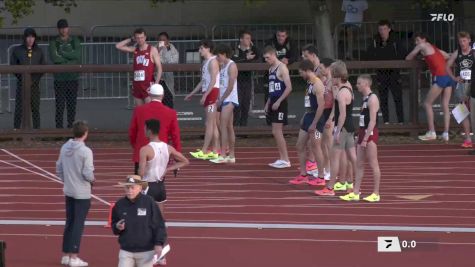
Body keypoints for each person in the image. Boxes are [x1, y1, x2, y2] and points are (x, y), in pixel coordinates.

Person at [315, 61, 357, 197]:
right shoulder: (347, 86)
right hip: (350, 127)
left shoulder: (341, 93)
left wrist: (337, 131)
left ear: (336, 75)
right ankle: (352, 185)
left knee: (335, 158)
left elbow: (342, 114)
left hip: (343, 128)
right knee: (352, 158)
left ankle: (330, 187)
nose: (330, 77)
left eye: (332, 74)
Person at [56, 121, 94, 267]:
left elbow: (59, 167)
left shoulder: (65, 146)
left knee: (70, 222)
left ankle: (65, 255)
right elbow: (87, 173)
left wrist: (66, 180)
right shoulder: (86, 151)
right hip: (82, 192)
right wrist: (92, 179)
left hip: (69, 190)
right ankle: (74, 256)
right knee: (78, 224)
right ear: (85, 133)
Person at [340, 74, 381, 202]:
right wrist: (359, 135)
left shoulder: (372, 98)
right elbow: (364, 120)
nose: (357, 85)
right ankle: (355, 192)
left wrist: (365, 138)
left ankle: (376, 193)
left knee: (373, 164)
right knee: (359, 164)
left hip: (370, 134)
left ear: (366, 84)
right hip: (363, 132)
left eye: (359, 83)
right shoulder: (364, 98)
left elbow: (373, 121)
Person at [112, 175, 167, 267]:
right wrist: (117, 227)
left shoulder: (149, 202)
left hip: (146, 252)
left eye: (132, 188)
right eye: (127, 187)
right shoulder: (119, 204)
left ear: (140, 188)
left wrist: (158, 243)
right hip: (126, 251)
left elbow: (159, 224)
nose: (129, 191)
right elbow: (114, 225)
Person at [406, 33, 451, 142]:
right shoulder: (434, 47)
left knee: (427, 103)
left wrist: (421, 56)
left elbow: (408, 57)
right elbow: (447, 56)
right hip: (448, 75)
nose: (416, 43)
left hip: (440, 76)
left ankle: (432, 132)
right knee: (445, 105)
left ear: (423, 39)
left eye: (417, 40)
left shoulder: (422, 45)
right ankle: (446, 133)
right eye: (415, 41)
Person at [138, 119, 189, 215]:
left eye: (145, 128)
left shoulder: (145, 150)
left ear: (149, 131)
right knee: (160, 217)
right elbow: (185, 161)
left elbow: (141, 173)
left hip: (147, 185)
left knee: (142, 215)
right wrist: (168, 169)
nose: (144, 131)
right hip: (160, 186)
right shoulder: (168, 148)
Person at [129, 84, 181, 175]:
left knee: (139, 185)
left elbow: (132, 132)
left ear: (149, 94)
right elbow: (175, 136)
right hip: (160, 154)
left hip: (141, 152)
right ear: (163, 95)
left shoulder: (139, 110)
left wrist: (136, 146)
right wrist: (177, 157)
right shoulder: (171, 113)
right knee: (158, 183)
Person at [289, 60, 326, 185]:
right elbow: (309, 102)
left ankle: (321, 177)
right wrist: (305, 116)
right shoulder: (309, 83)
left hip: (316, 119)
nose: (300, 75)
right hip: (308, 116)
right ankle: (303, 174)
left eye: (301, 72)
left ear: (307, 70)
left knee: (316, 148)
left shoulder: (317, 84)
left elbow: (321, 106)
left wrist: (314, 123)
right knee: (299, 145)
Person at [185, 40, 221, 160]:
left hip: (212, 92)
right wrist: (192, 93)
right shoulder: (206, 62)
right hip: (208, 92)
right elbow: (203, 81)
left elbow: (213, 80)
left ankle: (204, 150)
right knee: (213, 124)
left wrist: (206, 95)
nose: (199, 51)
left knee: (209, 123)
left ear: (208, 49)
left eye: (201, 48)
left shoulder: (213, 62)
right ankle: (215, 150)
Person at [367, 20, 406, 124]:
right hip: (381, 74)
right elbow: (369, 55)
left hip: (394, 73)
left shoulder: (395, 40)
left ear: (389, 29)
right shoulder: (375, 40)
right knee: (383, 99)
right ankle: (386, 122)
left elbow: (402, 54)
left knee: (398, 98)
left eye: (384, 29)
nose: (382, 31)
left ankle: (401, 121)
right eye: (380, 29)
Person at [116, 28, 162, 107]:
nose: (140, 40)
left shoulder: (152, 50)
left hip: (148, 86)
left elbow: (159, 68)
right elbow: (118, 46)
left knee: (149, 111)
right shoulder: (135, 50)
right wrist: (130, 39)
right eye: (138, 38)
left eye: (142, 37)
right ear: (135, 38)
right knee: (140, 111)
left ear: (145, 37)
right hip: (137, 85)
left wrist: (156, 84)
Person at [263, 46, 293, 168]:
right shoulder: (271, 69)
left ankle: (285, 159)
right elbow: (271, 89)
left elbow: (289, 87)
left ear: (273, 54)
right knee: (275, 132)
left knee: (277, 131)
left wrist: (279, 101)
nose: (266, 60)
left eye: (268, 57)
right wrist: (268, 103)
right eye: (265, 58)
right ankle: (282, 157)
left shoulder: (282, 68)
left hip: (280, 103)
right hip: (273, 101)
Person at [11, 27, 46, 129]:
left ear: (35, 38)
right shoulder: (17, 50)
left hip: (34, 85)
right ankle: (16, 130)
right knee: (19, 109)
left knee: (35, 108)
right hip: (21, 85)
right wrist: (22, 78)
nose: (30, 39)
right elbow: (13, 66)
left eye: (32, 37)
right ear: (24, 38)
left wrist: (33, 80)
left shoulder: (38, 51)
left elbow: (43, 67)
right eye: (28, 37)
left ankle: (36, 130)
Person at [49, 19, 82, 129]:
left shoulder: (75, 40)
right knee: (59, 106)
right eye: (61, 28)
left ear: (68, 28)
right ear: (58, 29)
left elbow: (77, 56)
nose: (64, 30)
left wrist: (62, 53)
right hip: (59, 79)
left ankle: (70, 129)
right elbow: (55, 58)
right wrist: (69, 57)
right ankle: (59, 130)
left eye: (65, 27)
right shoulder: (54, 42)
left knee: (71, 106)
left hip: (73, 78)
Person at [210, 44, 239, 164]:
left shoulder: (232, 66)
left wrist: (221, 99)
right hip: (223, 98)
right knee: (228, 127)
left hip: (229, 99)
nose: (217, 58)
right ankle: (231, 155)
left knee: (223, 126)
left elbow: (231, 86)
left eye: (218, 55)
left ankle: (223, 154)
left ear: (224, 54)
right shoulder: (223, 66)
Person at [446, 31, 473, 148]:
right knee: (462, 113)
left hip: (473, 85)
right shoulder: (457, 53)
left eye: (464, 40)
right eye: (460, 41)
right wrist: (454, 78)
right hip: (461, 85)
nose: (462, 43)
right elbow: (447, 66)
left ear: (469, 40)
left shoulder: (474, 53)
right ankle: (468, 139)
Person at [232, 30, 259, 127]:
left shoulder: (252, 50)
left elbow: (259, 57)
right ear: (241, 39)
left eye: (250, 38)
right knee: (237, 105)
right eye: (247, 38)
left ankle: (244, 129)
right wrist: (245, 58)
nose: (249, 40)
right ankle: (235, 127)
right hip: (236, 80)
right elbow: (232, 61)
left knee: (246, 104)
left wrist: (253, 46)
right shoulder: (234, 49)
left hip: (247, 80)